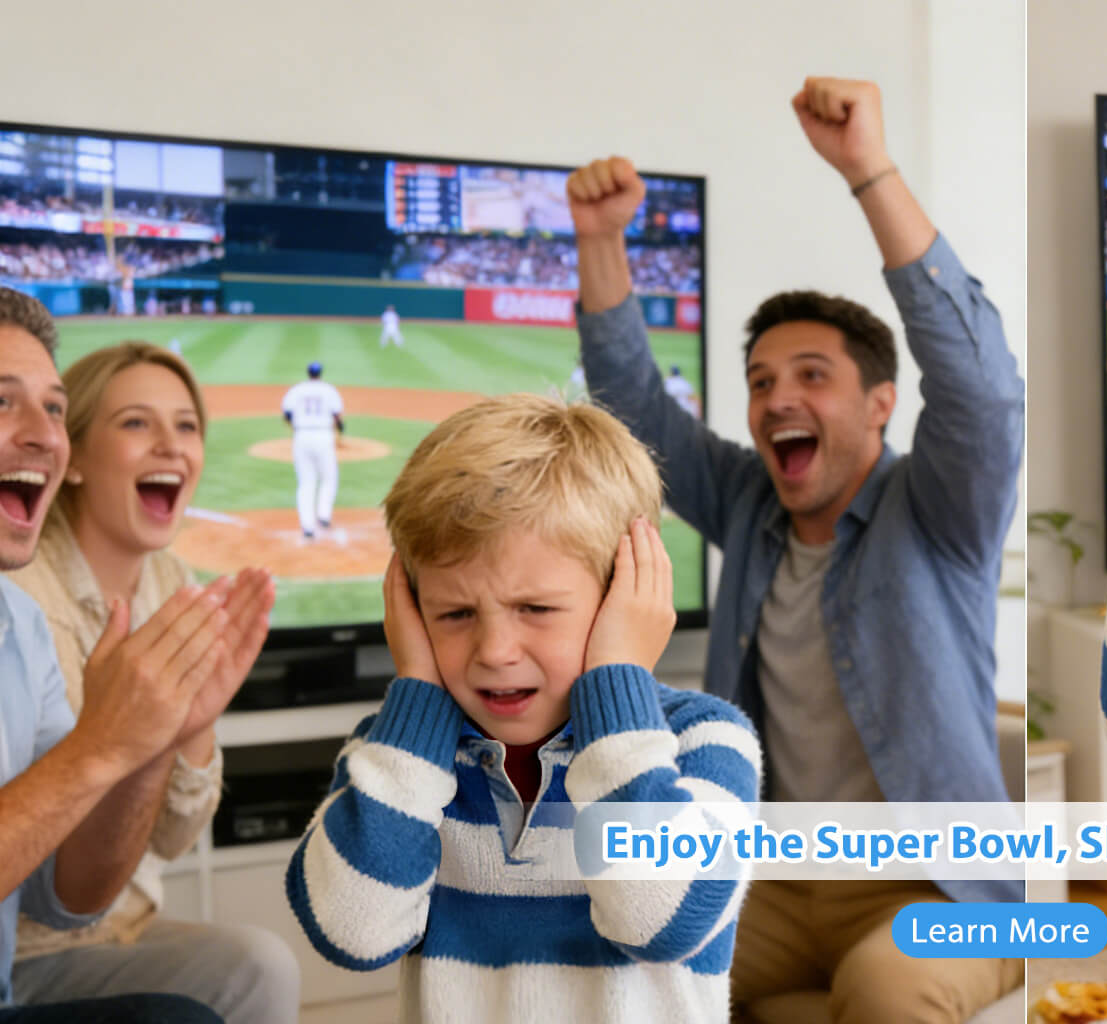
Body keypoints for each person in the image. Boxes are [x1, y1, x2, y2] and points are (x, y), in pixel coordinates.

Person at [567, 75, 1024, 1023]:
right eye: (761, 380)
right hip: (771, 878)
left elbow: (982, 389)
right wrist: (602, 240)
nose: (778, 397)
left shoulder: (939, 507)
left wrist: (868, 169)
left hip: (938, 890)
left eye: (812, 376)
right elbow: (634, 411)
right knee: (621, 972)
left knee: (889, 995)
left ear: (880, 404)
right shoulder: (748, 501)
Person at [286, 393, 760, 1023]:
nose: (494, 651)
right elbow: (353, 934)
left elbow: (660, 920)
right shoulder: (399, 758)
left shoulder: (704, 742)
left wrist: (617, 680)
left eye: (535, 609)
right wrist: (417, 699)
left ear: (626, 597)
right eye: (455, 614)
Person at [0, 288, 273, 1024]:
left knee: (256, 967)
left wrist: (172, 735)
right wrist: (104, 745)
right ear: (82, 462)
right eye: (3, 401)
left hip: (82, 935)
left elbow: (71, 897)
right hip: (32, 959)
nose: (42, 434)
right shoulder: (30, 594)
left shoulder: (18, 623)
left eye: (53, 409)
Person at [280, 361, 342, 539]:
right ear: (320, 373)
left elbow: (287, 413)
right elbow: (337, 415)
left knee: (306, 482)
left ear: (308, 373)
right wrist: (340, 428)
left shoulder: (297, 389)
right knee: (329, 477)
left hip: (302, 435)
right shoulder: (329, 390)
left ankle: (307, 526)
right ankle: (324, 516)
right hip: (323, 436)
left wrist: (294, 426)